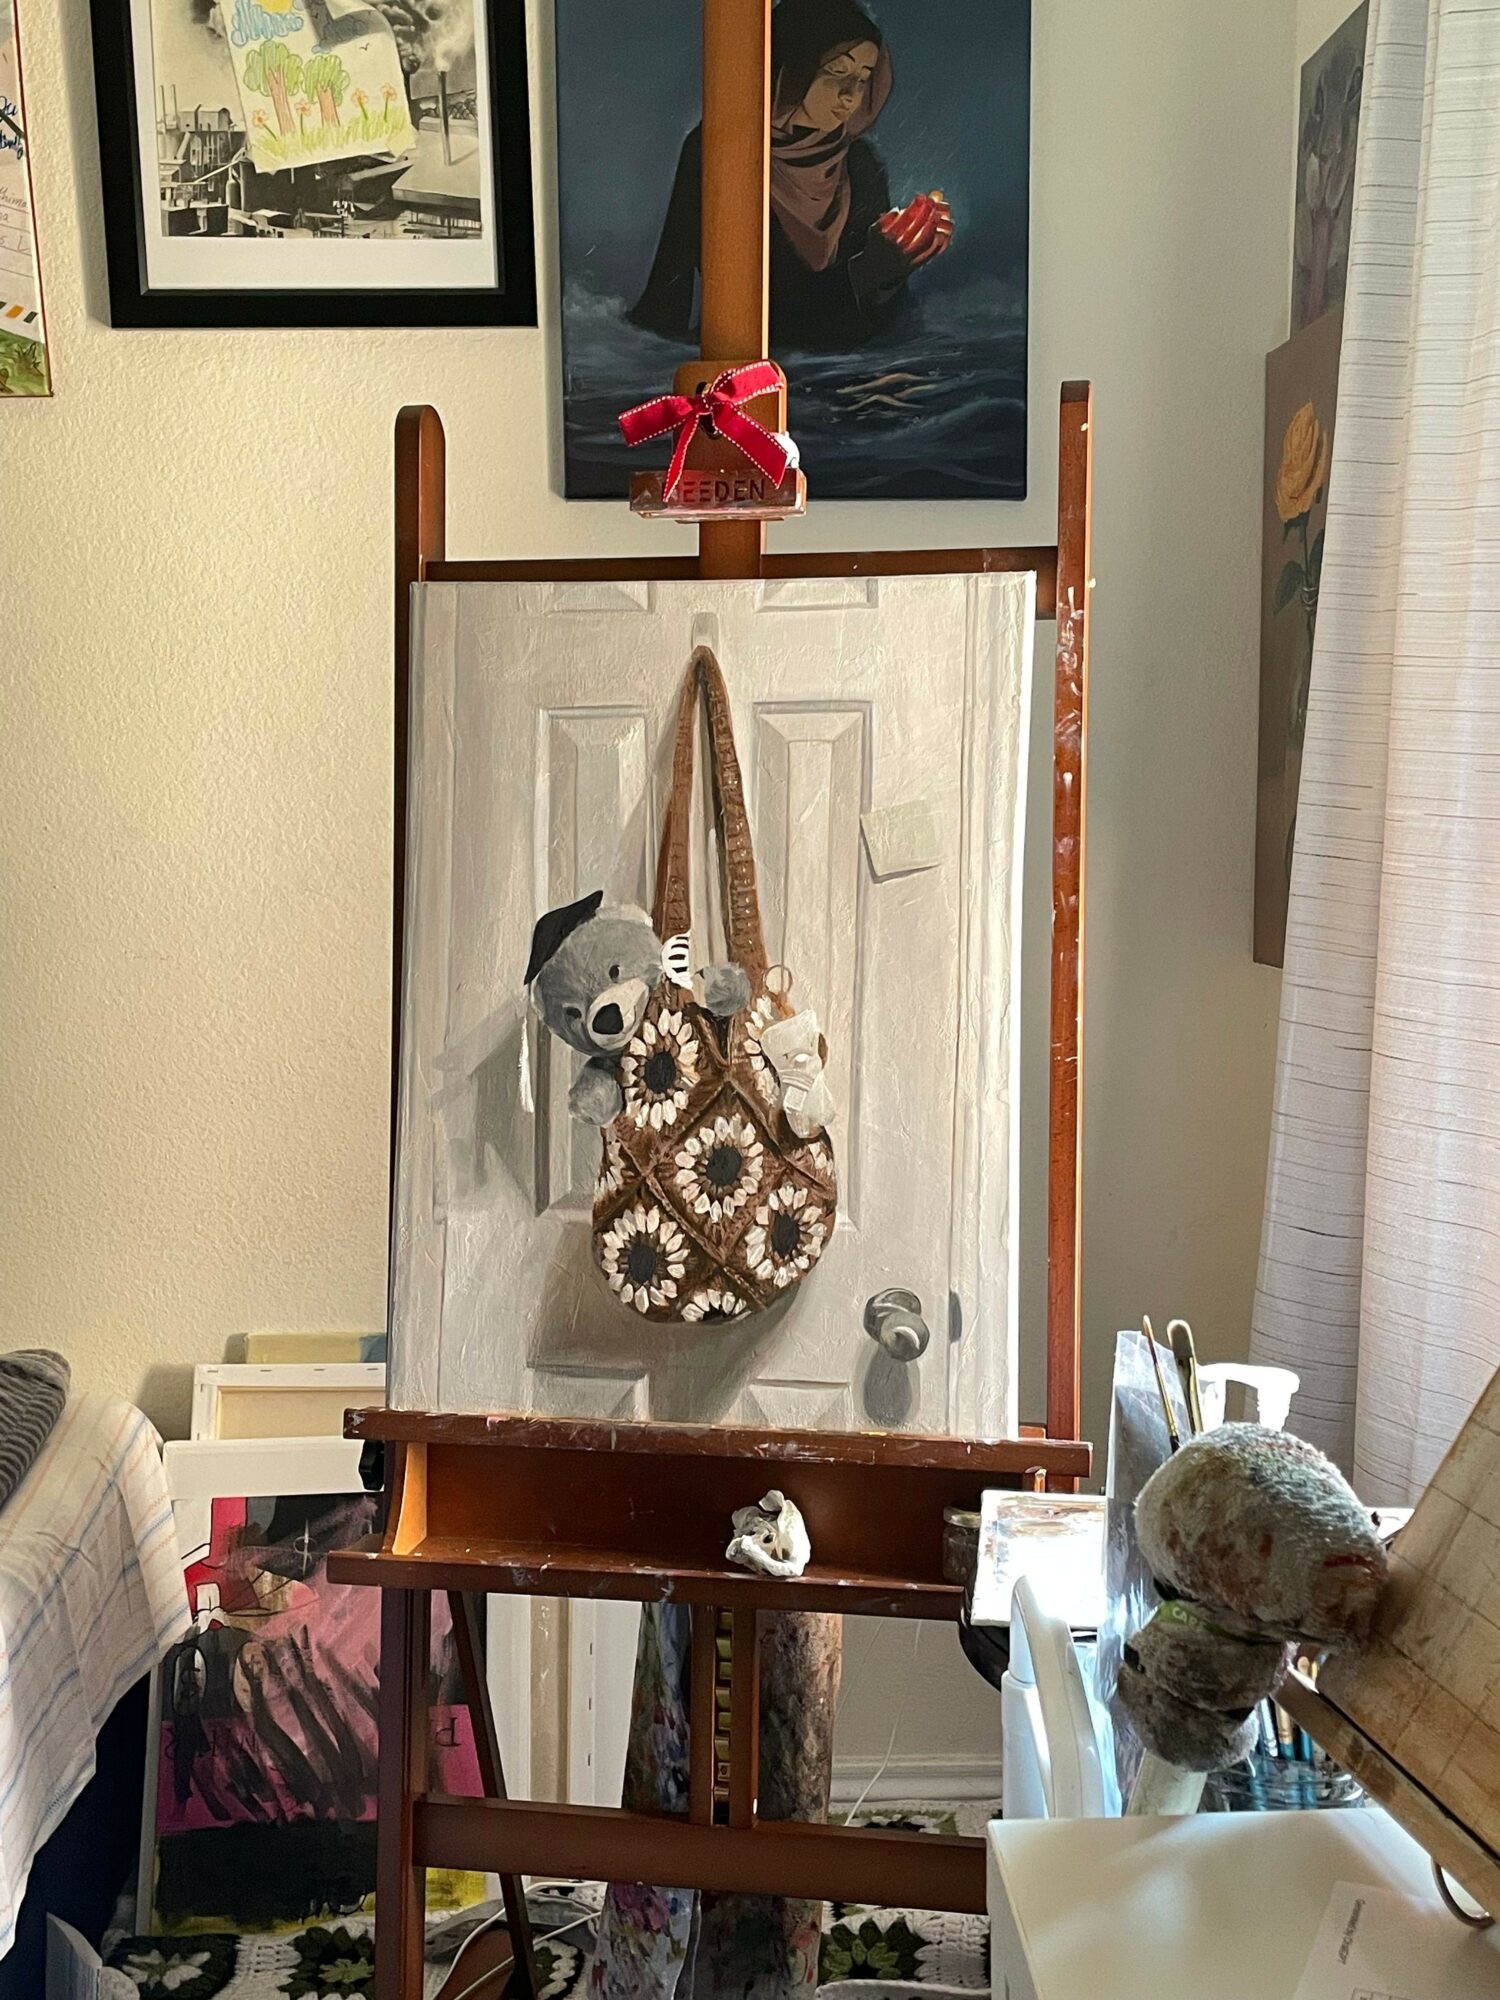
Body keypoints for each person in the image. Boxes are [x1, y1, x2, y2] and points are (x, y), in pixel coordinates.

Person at [630, 0, 953, 351]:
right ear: (793, 66)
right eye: (836, 72)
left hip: (846, 365)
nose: (850, 95)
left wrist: (898, 262)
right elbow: (674, 300)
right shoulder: (723, 150)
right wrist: (867, 271)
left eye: (862, 79)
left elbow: (876, 322)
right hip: (748, 362)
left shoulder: (861, 164)